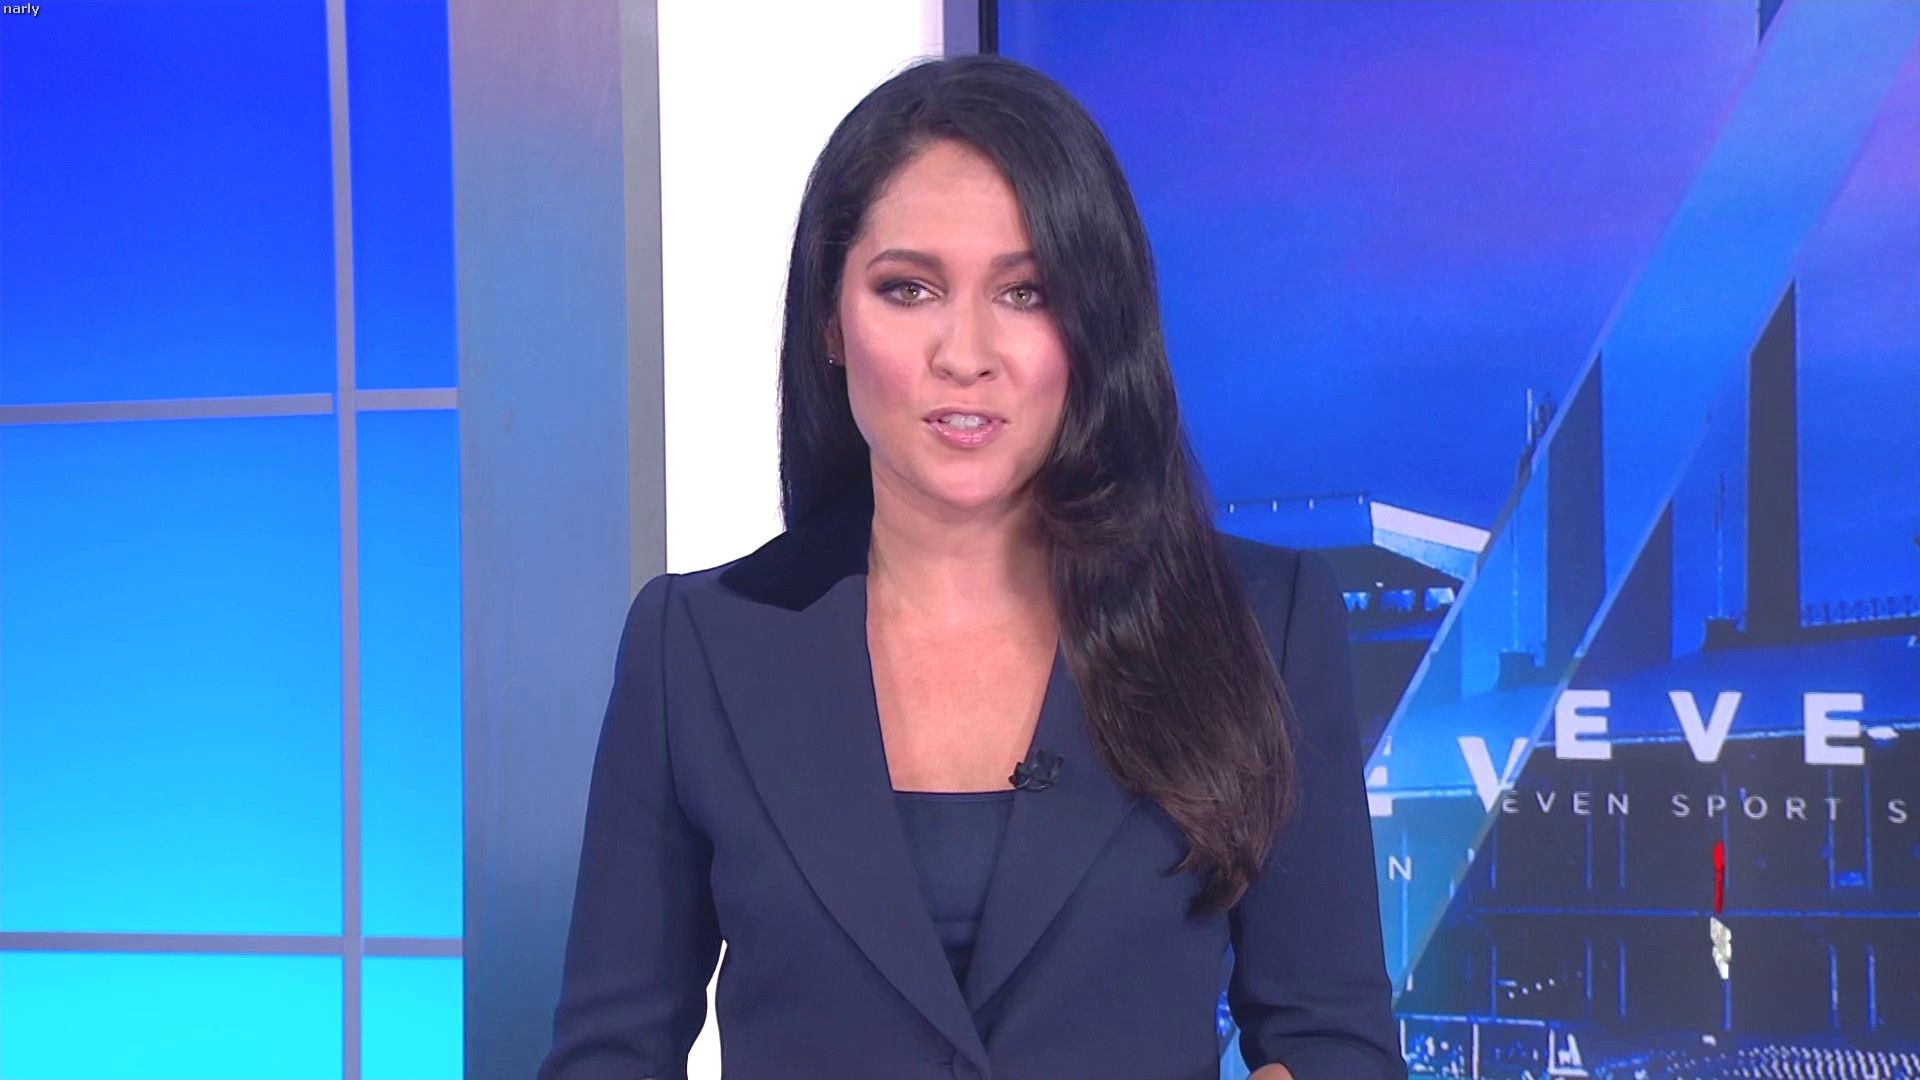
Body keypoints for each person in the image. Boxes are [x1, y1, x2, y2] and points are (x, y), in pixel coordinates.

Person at [536, 53, 1403, 1080]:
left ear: (1095, 323)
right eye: (908, 289)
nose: (965, 352)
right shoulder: (696, 647)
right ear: (830, 320)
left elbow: (1332, 1043)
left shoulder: (1258, 623)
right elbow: (609, 1055)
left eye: (1026, 292)